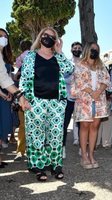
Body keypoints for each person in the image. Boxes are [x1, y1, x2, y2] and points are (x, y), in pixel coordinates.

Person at [19, 27, 74, 181]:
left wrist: (60, 51)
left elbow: (70, 69)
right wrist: (23, 97)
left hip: (56, 103)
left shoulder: (58, 57)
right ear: (40, 37)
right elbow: (23, 78)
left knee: (56, 135)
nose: (48, 37)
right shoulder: (30, 56)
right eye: (45, 35)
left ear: (55, 40)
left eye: (52, 36)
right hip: (35, 102)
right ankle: (39, 167)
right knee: (36, 135)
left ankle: (56, 166)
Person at [72, 42, 110, 169]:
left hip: (99, 100)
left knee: (95, 126)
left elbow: (106, 80)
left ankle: (91, 154)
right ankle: (84, 156)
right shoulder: (79, 65)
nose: (95, 51)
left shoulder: (101, 65)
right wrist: (92, 92)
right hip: (84, 100)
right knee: (84, 126)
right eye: (93, 49)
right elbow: (78, 81)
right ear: (88, 50)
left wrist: (98, 92)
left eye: (97, 49)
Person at [0, 28, 30, 168]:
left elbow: (4, 79)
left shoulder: (1, 57)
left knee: (4, 126)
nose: (3, 39)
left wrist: (19, 95)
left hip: (6, 94)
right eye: (0, 36)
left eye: (5, 37)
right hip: (3, 94)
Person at [62, 41, 82, 159]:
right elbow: (63, 78)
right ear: (71, 50)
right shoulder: (67, 63)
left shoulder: (84, 63)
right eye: (75, 48)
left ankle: (81, 147)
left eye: (79, 48)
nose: (77, 49)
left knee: (81, 124)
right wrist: (73, 77)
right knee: (64, 123)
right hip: (68, 97)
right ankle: (62, 147)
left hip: (80, 99)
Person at [14, 40, 32, 161]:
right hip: (31, 97)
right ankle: (27, 152)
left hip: (23, 96)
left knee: (23, 125)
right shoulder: (35, 56)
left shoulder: (19, 59)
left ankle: (21, 151)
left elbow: (15, 77)